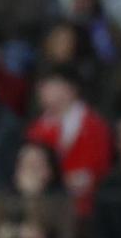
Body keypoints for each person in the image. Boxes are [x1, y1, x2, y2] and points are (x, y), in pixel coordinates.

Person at [27, 66, 112, 215]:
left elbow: (98, 168)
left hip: (87, 207)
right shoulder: (37, 129)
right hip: (45, 206)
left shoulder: (94, 125)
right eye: (42, 87)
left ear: (71, 89)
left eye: (50, 85)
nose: (43, 92)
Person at [0, 141, 79, 238]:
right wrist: (16, 233)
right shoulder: (3, 197)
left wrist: (32, 197)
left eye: (35, 165)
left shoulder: (61, 202)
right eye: (24, 165)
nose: (29, 171)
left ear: (49, 171)